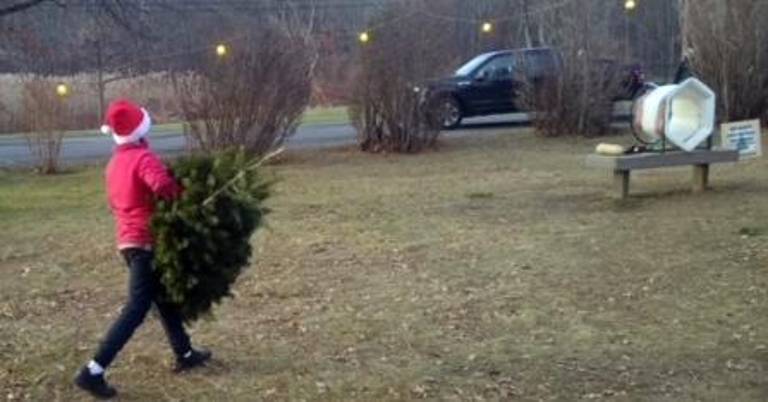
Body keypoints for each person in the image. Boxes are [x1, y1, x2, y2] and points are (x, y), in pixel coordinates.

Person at [74, 99, 211, 399]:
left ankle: (185, 354)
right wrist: (185, 195)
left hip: (127, 241)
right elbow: (161, 187)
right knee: (136, 308)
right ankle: (93, 371)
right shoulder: (142, 157)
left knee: (164, 300)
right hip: (146, 242)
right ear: (140, 128)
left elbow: (116, 202)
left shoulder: (114, 163)